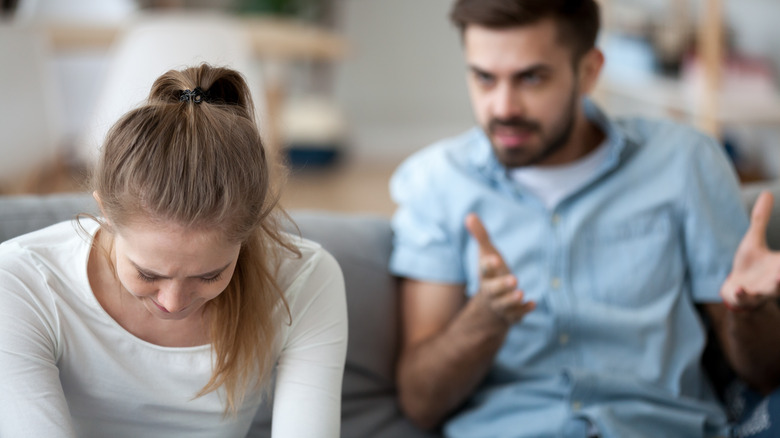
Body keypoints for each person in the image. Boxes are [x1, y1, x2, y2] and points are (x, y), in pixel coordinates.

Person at [389, 1, 780, 437]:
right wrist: (483, 320)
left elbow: (765, 375)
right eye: (484, 78)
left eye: (531, 77)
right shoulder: (437, 182)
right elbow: (419, 403)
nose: (502, 107)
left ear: (590, 71)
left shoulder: (685, 163)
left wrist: (751, 311)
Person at [0, 64, 348, 437]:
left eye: (210, 274)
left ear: (249, 231)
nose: (173, 302)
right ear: (105, 213)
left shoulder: (306, 279)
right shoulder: (21, 282)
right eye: (148, 273)